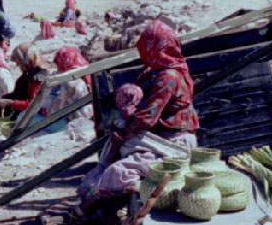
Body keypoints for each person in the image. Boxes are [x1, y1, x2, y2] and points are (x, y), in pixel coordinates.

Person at [78, 19, 198, 200]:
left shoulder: (168, 77)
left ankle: (140, 192)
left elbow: (147, 118)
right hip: (158, 137)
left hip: (173, 142)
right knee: (113, 158)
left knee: (117, 170)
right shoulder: (158, 71)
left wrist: (124, 134)